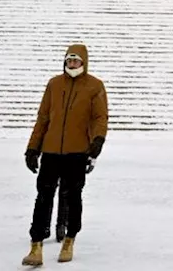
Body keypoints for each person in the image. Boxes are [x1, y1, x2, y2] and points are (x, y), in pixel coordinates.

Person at [22, 44, 108, 266]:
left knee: (72, 197)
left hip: (77, 152)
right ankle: (36, 245)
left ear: (84, 62)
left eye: (76, 60)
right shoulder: (54, 84)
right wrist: (33, 148)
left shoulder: (94, 86)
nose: (72, 64)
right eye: (69, 60)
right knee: (43, 197)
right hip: (51, 151)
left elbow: (100, 117)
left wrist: (97, 140)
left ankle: (69, 239)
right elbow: (43, 118)